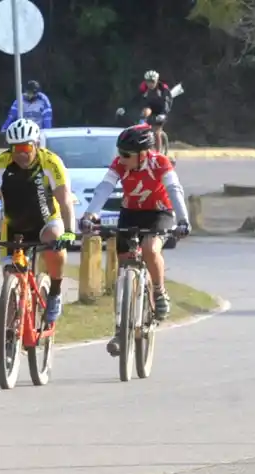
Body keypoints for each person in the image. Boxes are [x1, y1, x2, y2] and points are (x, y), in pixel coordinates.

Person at [79, 124, 191, 356]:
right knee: (123, 271)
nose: (121, 158)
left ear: (143, 154)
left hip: (160, 212)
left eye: (126, 154)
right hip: (131, 212)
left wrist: (183, 220)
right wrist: (90, 214)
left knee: (150, 249)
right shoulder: (120, 164)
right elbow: (104, 188)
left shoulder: (160, 163)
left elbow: (174, 190)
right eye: (119, 153)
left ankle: (159, 292)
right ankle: (121, 329)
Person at [0, 118, 76, 326]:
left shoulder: (51, 162)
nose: (21, 153)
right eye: (15, 148)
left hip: (46, 223)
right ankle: (12, 334)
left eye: (25, 147)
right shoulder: (0, 163)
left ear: (36, 144)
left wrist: (70, 231)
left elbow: (65, 200)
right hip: (14, 227)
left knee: (54, 241)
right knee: (10, 281)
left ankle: (55, 292)